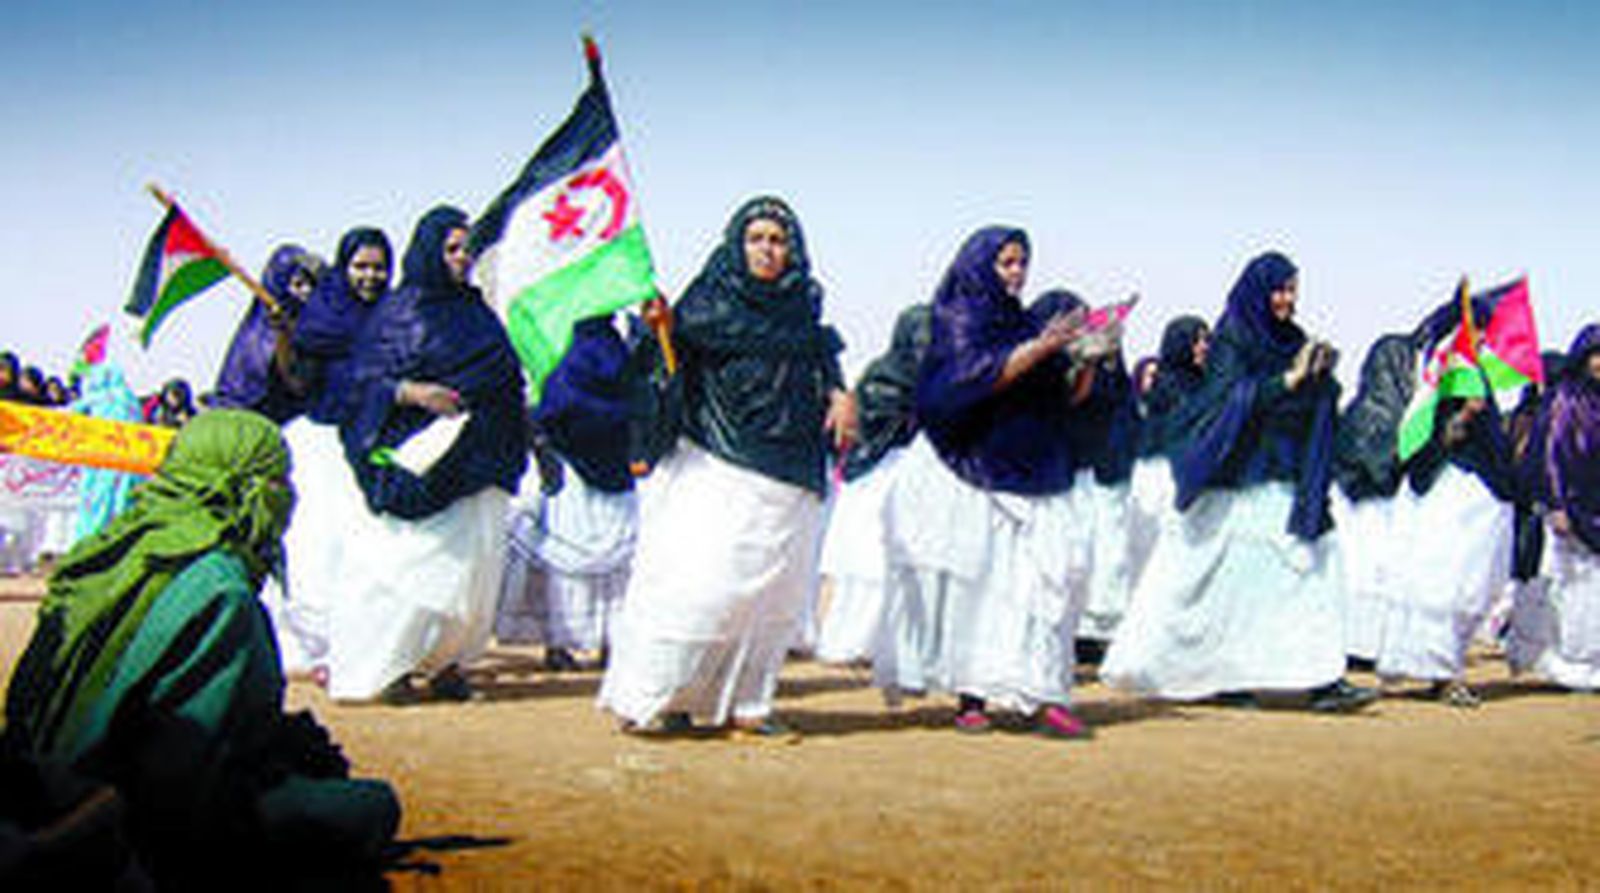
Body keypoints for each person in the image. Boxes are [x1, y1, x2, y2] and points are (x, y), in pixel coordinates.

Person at [1, 410, 400, 888]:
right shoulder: (220, 590)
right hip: (136, 819)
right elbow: (187, 775)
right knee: (371, 807)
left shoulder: (105, 550)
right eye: (278, 480)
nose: (287, 497)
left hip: (38, 784)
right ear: (246, 487)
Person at [598, 196, 855, 738]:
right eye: (757, 238)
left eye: (778, 240)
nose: (768, 249)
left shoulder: (803, 306)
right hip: (718, 464)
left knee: (772, 600)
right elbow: (664, 373)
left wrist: (839, 393)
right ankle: (657, 699)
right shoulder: (704, 306)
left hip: (791, 469)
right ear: (737, 244)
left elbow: (822, 362)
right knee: (704, 589)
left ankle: (749, 708)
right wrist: (657, 335)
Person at [1102, 251, 1376, 711]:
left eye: (1293, 290)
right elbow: (1228, 402)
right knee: (1236, 583)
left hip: (1289, 479)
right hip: (1243, 480)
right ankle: (1228, 678)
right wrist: (1289, 379)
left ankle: (1324, 679)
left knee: (1312, 572)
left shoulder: (1294, 339)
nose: (1288, 300)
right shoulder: (1233, 339)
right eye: (1280, 290)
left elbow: (1308, 398)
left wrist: (1320, 380)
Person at [873, 227, 1098, 738]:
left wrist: (1086, 361)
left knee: (1041, 587)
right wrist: (1041, 348)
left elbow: (1064, 400)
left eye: (1022, 263)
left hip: (1033, 466)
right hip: (975, 470)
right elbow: (960, 385)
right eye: (1006, 263)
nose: (1017, 273)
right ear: (981, 266)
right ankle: (971, 698)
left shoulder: (1024, 323)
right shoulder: (958, 317)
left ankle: (1043, 696)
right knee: (981, 591)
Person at [315, 205, 528, 703]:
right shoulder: (399, 312)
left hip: (479, 459)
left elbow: (502, 379)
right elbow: (360, 384)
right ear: (430, 251)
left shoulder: (478, 311)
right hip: (424, 463)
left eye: (467, 249)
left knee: (471, 572)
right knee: (411, 569)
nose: (462, 258)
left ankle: (448, 665)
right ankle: (389, 669)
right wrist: (411, 393)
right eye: (452, 249)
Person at [265, 227, 395, 677]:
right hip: (325, 448)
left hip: (375, 443)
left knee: (373, 549)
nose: (370, 276)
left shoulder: (397, 317)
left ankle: (366, 646)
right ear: (344, 268)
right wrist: (284, 336)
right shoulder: (320, 321)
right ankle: (322, 650)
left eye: (379, 267)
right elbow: (298, 381)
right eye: (361, 266)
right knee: (321, 548)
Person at [496, 314, 639, 670]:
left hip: (583, 466)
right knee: (601, 558)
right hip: (589, 469)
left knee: (581, 557)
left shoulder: (585, 352)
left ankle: (576, 642)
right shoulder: (609, 353)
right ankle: (594, 641)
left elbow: (551, 410)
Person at [814, 303, 931, 665]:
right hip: (878, 479)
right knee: (868, 567)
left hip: (915, 479)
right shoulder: (884, 377)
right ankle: (852, 643)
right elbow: (873, 430)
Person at [1508, 323, 1600, 690]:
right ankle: (1567, 663)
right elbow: (1551, 455)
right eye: (1596, 355)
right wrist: (1558, 504)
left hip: (1596, 505)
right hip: (1570, 510)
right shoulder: (1565, 400)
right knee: (1569, 587)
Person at [212, 243, 324, 423]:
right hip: (232, 408)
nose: (306, 291)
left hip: (265, 420)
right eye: (300, 282)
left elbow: (299, 383)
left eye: (312, 285)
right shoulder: (267, 313)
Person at [66, 364, 145, 543]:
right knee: (121, 501)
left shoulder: (99, 398)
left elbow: (68, 415)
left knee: (95, 501)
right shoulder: (131, 400)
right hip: (128, 462)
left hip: (100, 459)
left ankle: (89, 541)